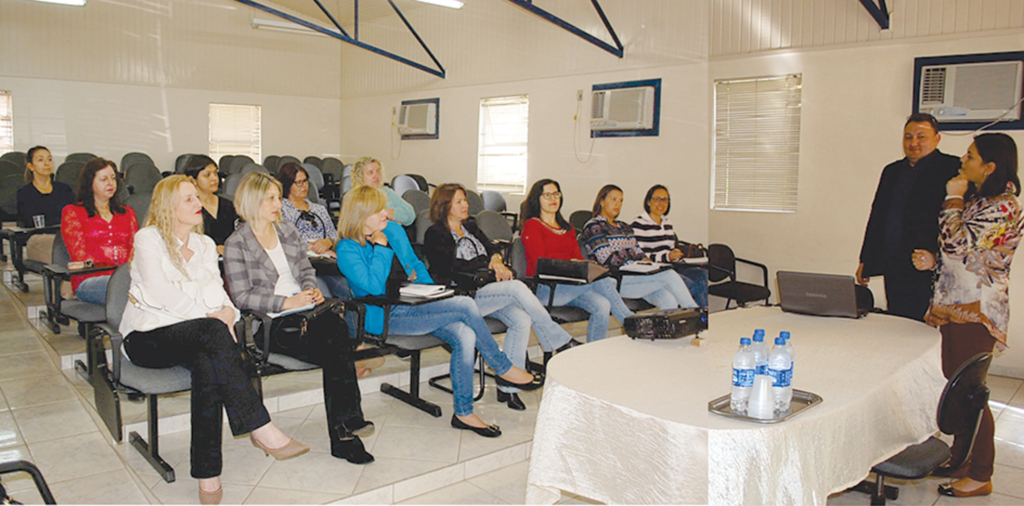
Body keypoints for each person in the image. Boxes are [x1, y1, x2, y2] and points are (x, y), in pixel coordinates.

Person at [120, 175, 307, 505]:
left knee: (210, 363)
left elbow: (220, 296)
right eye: (189, 199)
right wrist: (209, 318)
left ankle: (208, 476)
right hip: (148, 336)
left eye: (197, 197)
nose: (199, 204)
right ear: (169, 207)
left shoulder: (206, 245)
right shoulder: (148, 238)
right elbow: (161, 293)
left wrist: (228, 314)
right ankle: (259, 426)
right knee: (212, 333)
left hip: (198, 337)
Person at [336, 186, 543, 436]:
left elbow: (414, 265)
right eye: (378, 210)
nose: (386, 213)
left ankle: (463, 412)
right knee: (465, 304)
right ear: (360, 215)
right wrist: (381, 249)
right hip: (386, 317)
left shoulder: (394, 230)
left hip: (415, 305)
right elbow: (373, 287)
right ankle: (500, 365)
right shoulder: (347, 248)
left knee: (465, 334)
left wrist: (434, 293)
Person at [222, 171, 375, 464]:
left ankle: (346, 430)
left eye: (278, 197)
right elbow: (242, 297)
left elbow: (306, 271)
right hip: (271, 322)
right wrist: (286, 301)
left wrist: (310, 290)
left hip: (307, 312)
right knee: (336, 341)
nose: (277, 203)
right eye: (270, 198)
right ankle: (346, 430)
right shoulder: (236, 243)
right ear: (253, 200)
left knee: (335, 331)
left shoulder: (288, 232)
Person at [911, 134, 1023, 498]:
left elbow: (956, 242)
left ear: (989, 166)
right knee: (956, 388)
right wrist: (933, 261)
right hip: (955, 307)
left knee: (971, 393)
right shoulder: (982, 200)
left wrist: (952, 196)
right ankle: (960, 457)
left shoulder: (1004, 205)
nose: (963, 158)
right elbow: (960, 252)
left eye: (971, 155)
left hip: (976, 312)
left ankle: (981, 472)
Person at [423, 183, 575, 411]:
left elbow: (492, 247)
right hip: (461, 296)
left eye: (465, 200)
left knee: (522, 319)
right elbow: (449, 267)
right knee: (516, 288)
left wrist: (495, 261)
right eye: (459, 202)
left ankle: (508, 389)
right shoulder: (435, 233)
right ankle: (558, 339)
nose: (466, 205)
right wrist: (490, 265)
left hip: (486, 291)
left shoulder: (471, 226)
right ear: (444, 206)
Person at [858, 113, 960, 321]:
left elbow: (959, 222)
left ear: (937, 138)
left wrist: (937, 256)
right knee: (898, 322)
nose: (914, 143)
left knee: (925, 328)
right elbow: (877, 216)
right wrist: (867, 259)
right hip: (895, 264)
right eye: (908, 137)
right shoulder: (892, 171)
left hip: (930, 265)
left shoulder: (953, 168)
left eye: (921, 137)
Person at [520, 179, 634, 343]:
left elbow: (579, 260)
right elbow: (541, 263)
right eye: (547, 195)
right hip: (548, 289)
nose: (553, 198)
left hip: (571, 286)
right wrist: (570, 264)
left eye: (556, 194)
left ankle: (594, 353)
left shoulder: (567, 228)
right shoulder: (533, 225)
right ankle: (630, 322)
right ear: (537, 199)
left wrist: (575, 265)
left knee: (602, 304)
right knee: (605, 281)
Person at [580, 184, 698, 311]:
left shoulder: (624, 227)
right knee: (669, 274)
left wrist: (649, 266)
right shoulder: (594, 226)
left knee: (669, 299)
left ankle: (663, 331)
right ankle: (696, 313)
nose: (618, 204)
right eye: (614, 199)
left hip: (635, 278)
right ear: (602, 201)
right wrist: (636, 266)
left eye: (621, 201)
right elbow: (607, 259)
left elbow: (639, 253)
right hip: (614, 281)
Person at [61, 158, 138, 305]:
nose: (110, 183)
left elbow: (135, 250)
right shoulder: (73, 212)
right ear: (90, 183)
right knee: (129, 288)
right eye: (103, 179)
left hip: (125, 277)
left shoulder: (127, 213)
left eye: (113, 178)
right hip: (89, 280)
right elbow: (80, 255)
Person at [630, 184, 709, 308]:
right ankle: (697, 316)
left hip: (672, 267)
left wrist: (676, 255)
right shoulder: (638, 224)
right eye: (657, 199)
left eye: (665, 199)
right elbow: (639, 256)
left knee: (702, 274)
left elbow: (670, 250)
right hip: (656, 271)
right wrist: (667, 256)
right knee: (690, 285)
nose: (661, 203)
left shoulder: (668, 223)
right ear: (649, 202)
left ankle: (702, 316)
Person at [182, 155, 237, 255]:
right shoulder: (188, 208)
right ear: (193, 180)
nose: (214, 178)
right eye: (207, 175)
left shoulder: (227, 204)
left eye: (215, 173)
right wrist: (213, 249)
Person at [17, 146, 75, 228]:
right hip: (38, 235)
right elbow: (29, 222)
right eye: (41, 160)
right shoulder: (24, 193)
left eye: (49, 159)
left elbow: (73, 216)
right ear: (31, 166)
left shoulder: (64, 189)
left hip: (64, 233)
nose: (47, 164)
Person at [351, 156, 415, 226]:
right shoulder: (353, 197)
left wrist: (387, 213)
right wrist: (395, 222)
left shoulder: (387, 193)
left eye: (378, 172)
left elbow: (410, 214)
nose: (376, 176)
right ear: (360, 177)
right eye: (370, 173)